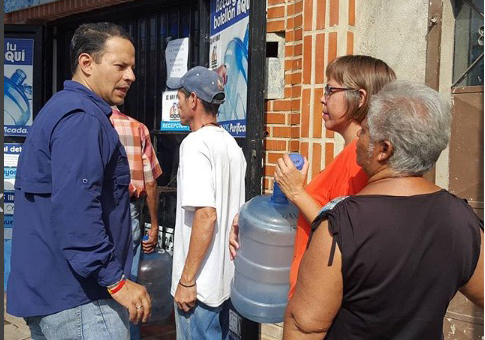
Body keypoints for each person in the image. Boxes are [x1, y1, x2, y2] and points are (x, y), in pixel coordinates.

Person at [283, 80, 484, 340]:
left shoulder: (341, 225)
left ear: (384, 150)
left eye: (365, 131)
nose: (358, 136)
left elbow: (304, 327)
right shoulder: (461, 219)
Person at [7, 22, 151, 340]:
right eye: (121, 66)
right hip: (81, 301)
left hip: (53, 295)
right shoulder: (83, 119)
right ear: (86, 63)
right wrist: (115, 280)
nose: (131, 76)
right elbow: (78, 210)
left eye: (133, 67)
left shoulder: (59, 110)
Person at [229, 55, 396, 299]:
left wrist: (297, 191)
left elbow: (344, 234)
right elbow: (325, 214)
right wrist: (251, 221)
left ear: (359, 98)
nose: (322, 98)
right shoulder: (350, 154)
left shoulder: (360, 161)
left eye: (330, 90)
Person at [168, 66, 246, 340]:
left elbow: (206, 216)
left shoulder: (194, 144)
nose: (177, 105)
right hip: (225, 283)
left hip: (200, 287)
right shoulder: (232, 146)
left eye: (179, 98)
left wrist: (187, 280)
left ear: (193, 100)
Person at [110, 105, 163, 339]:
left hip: (93, 210)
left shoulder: (86, 123)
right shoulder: (136, 127)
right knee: (128, 283)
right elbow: (150, 183)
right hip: (127, 210)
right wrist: (153, 223)